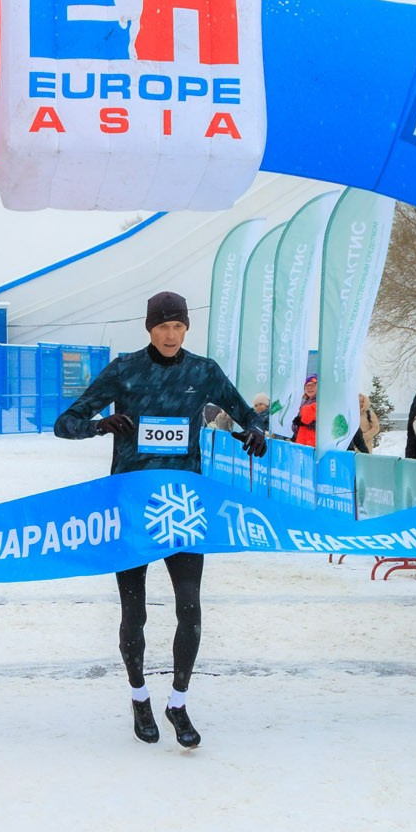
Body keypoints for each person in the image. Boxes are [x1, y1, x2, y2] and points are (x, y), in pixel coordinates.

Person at [53, 290, 268, 749]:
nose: (171, 335)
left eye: (178, 327)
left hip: (182, 507)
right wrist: (99, 425)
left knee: (190, 607)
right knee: (135, 612)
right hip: (131, 507)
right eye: (163, 327)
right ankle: (139, 697)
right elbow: (64, 422)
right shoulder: (124, 370)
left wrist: (255, 430)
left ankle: (178, 702)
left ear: (186, 328)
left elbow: (247, 413)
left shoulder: (203, 371)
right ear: (149, 328)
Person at [293, 373, 319, 446]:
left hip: (315, 445)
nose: (310, 388)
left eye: (313, 385)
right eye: (307, 386)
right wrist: (296, 425)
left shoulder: (322, 402)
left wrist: (307, 423)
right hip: (302, 443)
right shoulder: (304, 403)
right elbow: (296, 427)